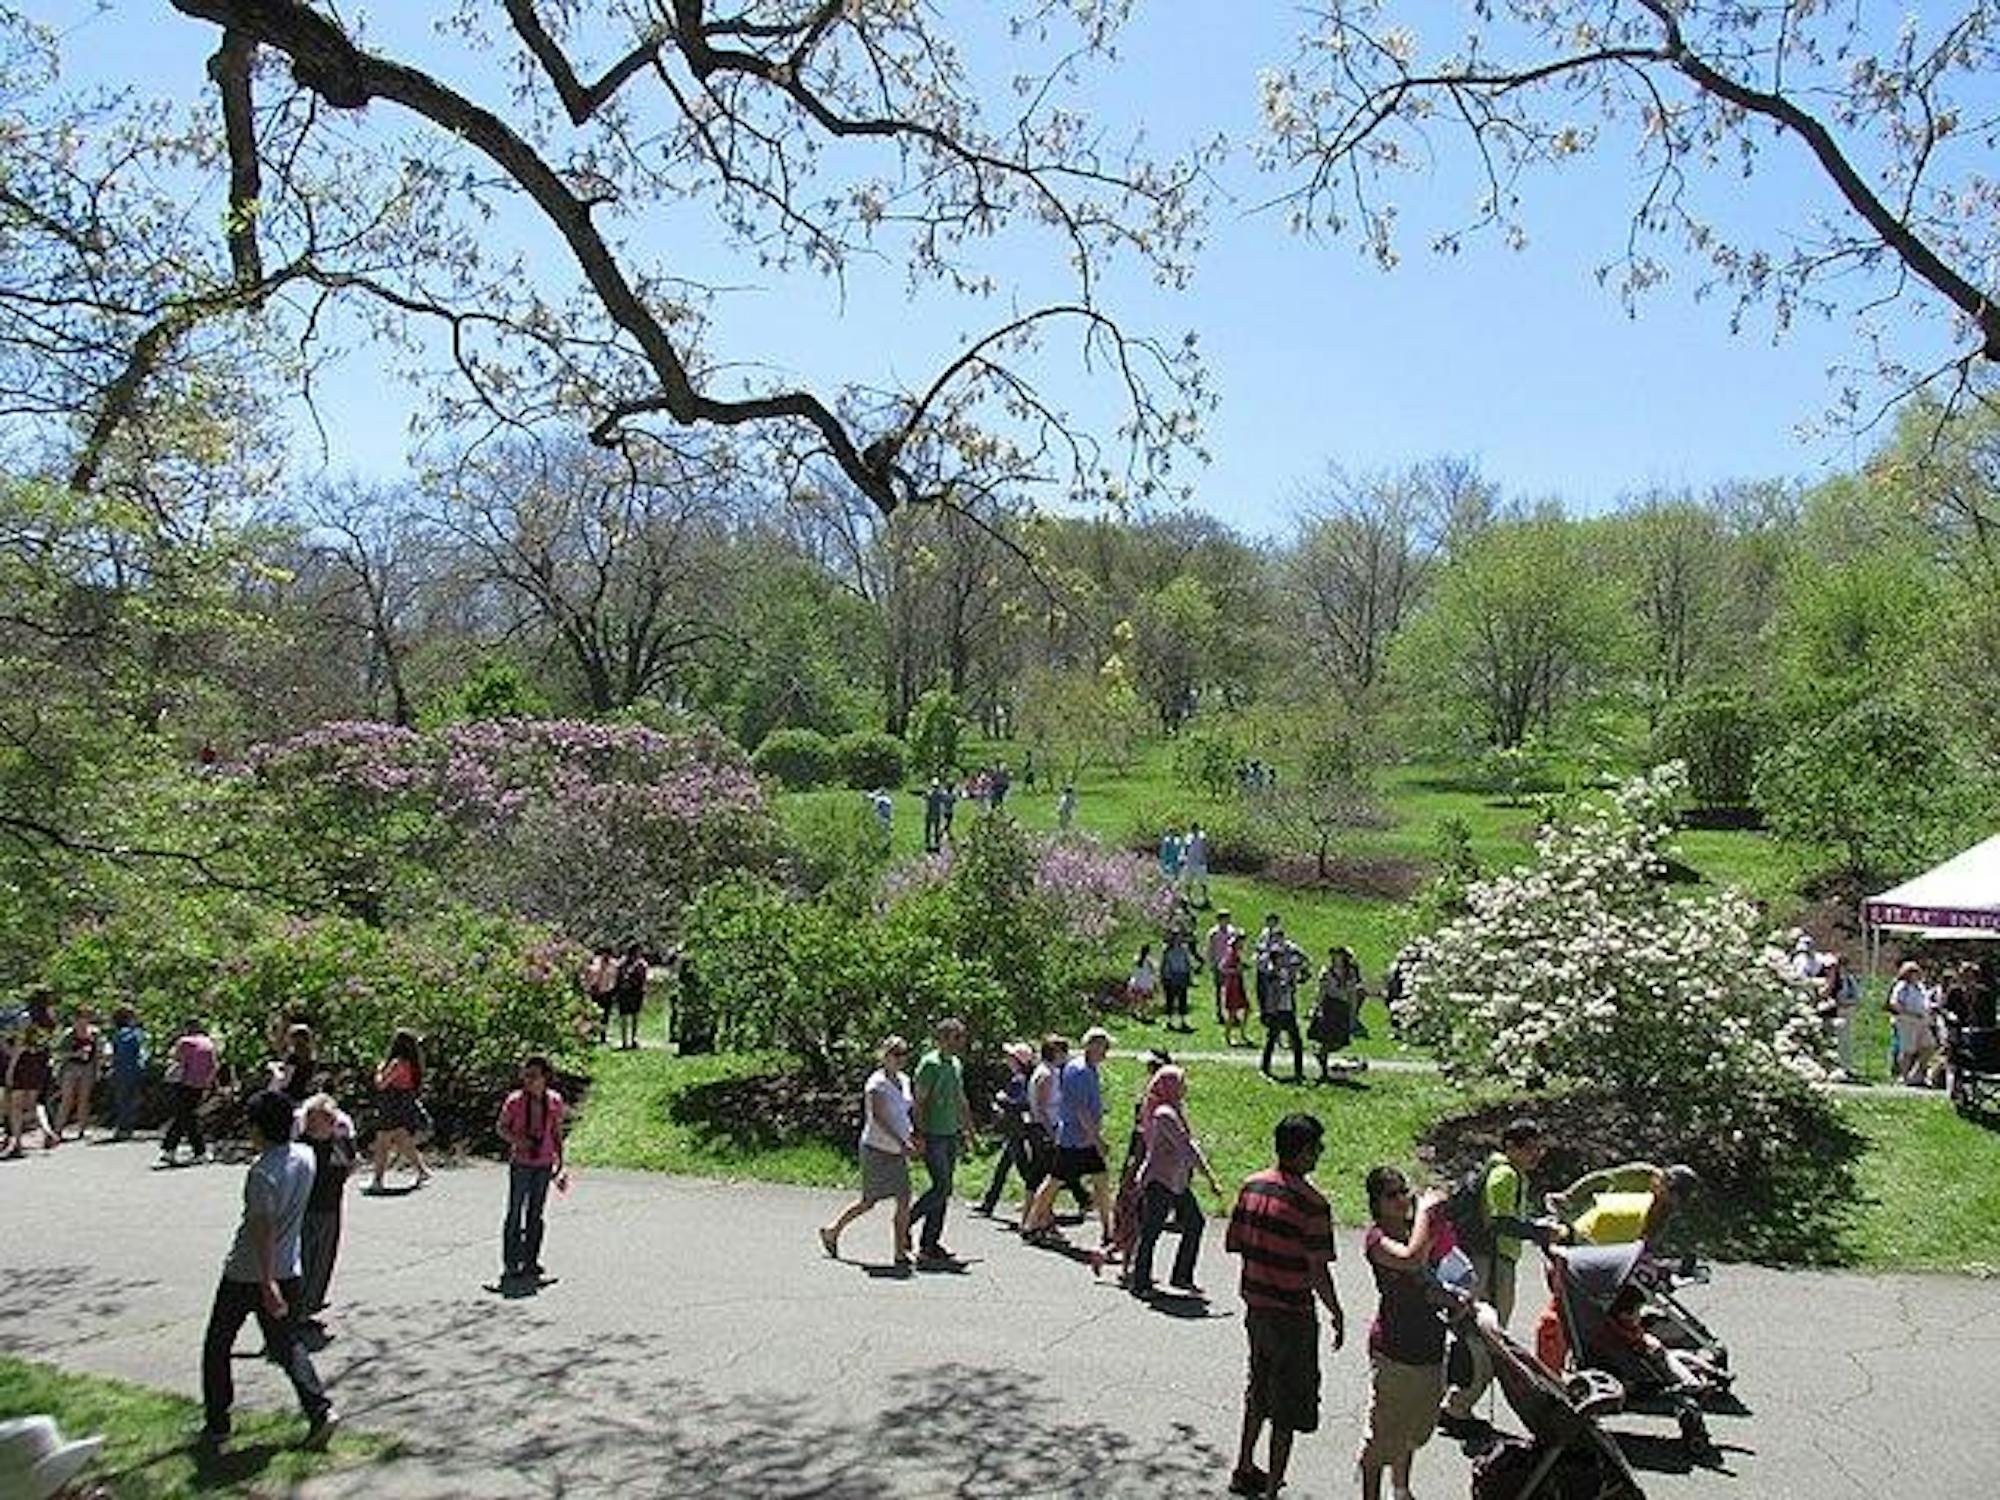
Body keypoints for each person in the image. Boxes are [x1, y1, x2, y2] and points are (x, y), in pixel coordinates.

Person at [200, 1089, 336, 1450]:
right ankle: (320, 1410)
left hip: (249, 1272)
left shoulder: (262, 1173)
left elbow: (262, 1228)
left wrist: (265, 1282)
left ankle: (217, 1422)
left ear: (258, 1129)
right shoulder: (305, 1157)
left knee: (217, 1344)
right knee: (285, 1344)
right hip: (289, 1268)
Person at [1224, 1112, 1344, 1500]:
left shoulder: (1252, 1186)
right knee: (1288, 1406)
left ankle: (1244, 1465)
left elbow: (1235, 1242)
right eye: (1318, 1148)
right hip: (1292, 1314)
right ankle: (1274, 1486)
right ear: (1305, 1151)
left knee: (1257, 1388)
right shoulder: (1312, 1204)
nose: (1320, 1154)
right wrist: (1336, 1311)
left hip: (1256, 1306)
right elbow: (1317, 1270)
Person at [1439, 1119, 1555, 1432]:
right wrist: (1539, 1232)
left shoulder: (1504, 1171)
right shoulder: (1505, 1174)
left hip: (1491, 1259)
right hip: (1491, 1262)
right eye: (1529, 1148)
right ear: (1510, 1147)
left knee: (1476, 1333)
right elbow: (1499, 1222)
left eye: (1538, 1147)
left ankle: (1453, 1399)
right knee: (1490, 1337)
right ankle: (1457, 1407)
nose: (1536, 1154)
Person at [1358, 1165, 1455, 1500]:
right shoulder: (1376, 1239)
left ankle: (1401, 1490)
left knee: (1416, 1428)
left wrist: (1455, 1296)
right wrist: (1427, 1213)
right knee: (1384, 1433)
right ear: (1376, 1202)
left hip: (1429, 1346)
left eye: (1404, 1191)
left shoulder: (1418, 1230)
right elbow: (1411, 1261)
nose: (1401, 1199)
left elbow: (1430, 1279)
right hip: (1394, 1349)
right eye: (1391, 1195)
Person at [820, 1036, 915, 1266]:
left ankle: (899, 1251)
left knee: (904, 1199)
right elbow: (878, 1117)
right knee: (869, 1201)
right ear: (885, 1056)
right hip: (876, 1148)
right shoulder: (876, 1083)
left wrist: (912, 1135)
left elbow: (906, 1111)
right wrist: (900, 1141)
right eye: (895, 1054)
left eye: (903, 1054)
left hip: (898, 1150)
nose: (899, 1059)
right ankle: (833, 1231)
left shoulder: (904, 1080)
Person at [1127, 1065, 1221, 1297]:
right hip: (1160, 1181)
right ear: (1170, 1086)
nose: (1185, 1087)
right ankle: (1140, 1284)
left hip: (1176, 1181)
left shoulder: (1175, 1109)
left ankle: (1181, 1276)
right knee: (1151, 1232)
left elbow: (1189, 1145)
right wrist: (1209, 1178)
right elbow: (1185, 1146)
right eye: (1181, 1082)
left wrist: (1204, 1173)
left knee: (1195, 1223)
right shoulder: (1164, 1115)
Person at [1024, 1027, 1113, 1247]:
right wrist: (1097, 1140)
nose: (1107, 1051)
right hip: (1074, 1139)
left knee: (1101, 1181)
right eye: (1104, 1045)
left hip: (1085, 1139)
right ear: (1091, 1045)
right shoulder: (1079, 1071)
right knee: (1054, 1182)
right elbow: (1080, 1110)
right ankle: (1031, 1224)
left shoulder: (1089, 1068)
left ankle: (1108, 1231)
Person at [909, 1017, 977, 1263]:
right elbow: (919, 1103)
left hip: (950, 1134)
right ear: (944, 1038)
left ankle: (929, 1244)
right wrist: (919, 1134)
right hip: (933, 1134)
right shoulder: (930, 1064)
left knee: (943, 1191)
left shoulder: (955, 1064)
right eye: (957, 1036)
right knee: (941, 1187)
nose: (961, 1041)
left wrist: (969, 1131)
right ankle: (907, 1221)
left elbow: (960, 1098)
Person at [497, 1055, 568, 1284]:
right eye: (525, 1075)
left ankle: (530, 1261)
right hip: (521, 1163)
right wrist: (519, 1140)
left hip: (544, 1163)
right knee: (515, 1213)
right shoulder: (515, 1101)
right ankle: (511, 1263)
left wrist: (560, 1164)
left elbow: (557, 1133)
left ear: (545, 1078)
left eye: (533, 1076)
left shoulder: (554, 1101)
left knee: (535, 1214)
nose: (528, 1080)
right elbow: (502, 1128)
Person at [297, 1093, 356, 1322]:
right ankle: (299, 1305)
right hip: (306, 1208)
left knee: (324, 1258)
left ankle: (312, 1302)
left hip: (330, 1206)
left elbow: (351, 1164)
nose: (333, 1122)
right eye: (327, 1118)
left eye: (333, 1118)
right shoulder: (301, 1147)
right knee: (305, 1257)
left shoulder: (339, 1143)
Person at [1552, 1161, 1700, 1249]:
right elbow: (1603, 1178)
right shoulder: (1642, 1174)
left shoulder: (1667, 1207)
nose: (1673, 1201)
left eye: (1678, 1199)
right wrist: (1569, 1195)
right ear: (1664, 1181)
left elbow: (1651, 1234)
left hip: (1618, 1240)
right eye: (1672, 1193)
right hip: (1594, 1221)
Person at [976, 1042, 1040, 1217]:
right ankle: (989, 1203)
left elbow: (1021, 1104)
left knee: (1025, 1170)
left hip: (1016, 1130)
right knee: (1003, 1167)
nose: (1006, 1060)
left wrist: (1000, 1100)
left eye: (1010, 1057)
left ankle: (1040, 1200)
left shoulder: (1019, 1080)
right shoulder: (1024, 1078)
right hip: (1016, 1129)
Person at [367, 1028, 430, 1192]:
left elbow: (381, 1084)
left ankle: (377, 1181)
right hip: (405, 1103)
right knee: (403, 1141)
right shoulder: (413, 1064)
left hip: (391, 1105)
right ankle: (422, 1171)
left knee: (382, 1142)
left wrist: (379, 1070)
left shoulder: (397, 1062)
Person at [158, 1017, 219, 1167]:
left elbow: (178, 1061)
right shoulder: (209, 1042)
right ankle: (171, 1149)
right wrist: (208, 1084)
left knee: (186, 1117)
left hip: (184, 1083)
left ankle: (197, 1151)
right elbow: (214, 1065)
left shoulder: (185, 1042)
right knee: (185, 1116)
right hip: (199, 1084)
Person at [3, 994, 58, 1157]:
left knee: (16, 1105)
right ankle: (47, 1132)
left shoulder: (26, 1018)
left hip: (23, 1063)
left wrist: (10, 1069)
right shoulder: (50, 1020)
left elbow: (20, 1044)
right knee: (32, 1102)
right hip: (39, 1063)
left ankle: (17, 1143)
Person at [1308, 947, 1365, 1082]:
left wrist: (1354, 1012)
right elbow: (1321, 992)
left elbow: (1353, 994)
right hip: (1330, 1006)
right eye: (1333, 956)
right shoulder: (1326, 972)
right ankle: (1323, 1071)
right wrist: (1316, 1008)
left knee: (1340, 1041)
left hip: (1343, 1008)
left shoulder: (1350, 973)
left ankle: (1320, 1054)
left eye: (1338, 956)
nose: (1335, 959)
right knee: (1327, 1039)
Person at [1260, 930, 1306, 1084]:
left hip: (1288, 1010)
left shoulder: (1286, 972)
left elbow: (1301, 969)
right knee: (1271, 1040)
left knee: (1297, 1042)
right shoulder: (1271, 973)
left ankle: (1299, 1071)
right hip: (1276, 1012)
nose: (1284, 959)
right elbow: (1277, 989)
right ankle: (1265, 1068)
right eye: (1280, 957)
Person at [51, 1010, 101, 1141]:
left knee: (84, 1099)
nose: (82, 1021)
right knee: (67, 1099)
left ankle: (82, 1129)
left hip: (88, 1068)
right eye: (80, 1018)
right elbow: (59, 1053)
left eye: (86, 1018)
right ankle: (58, 1130)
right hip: (70, 1068)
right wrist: (75, 1054)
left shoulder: (94, 1033)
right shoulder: (68, 1034)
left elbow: (97, 1052)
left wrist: (98, 1069)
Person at [1888, 960, 1938, 1087]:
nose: (1916, 974)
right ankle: (1905, 1077)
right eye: (1913, 971)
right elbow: (1894, 1004)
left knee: (1929, 1046)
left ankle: (1916, 1074)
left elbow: (1924, 1001)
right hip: (1907, 1021)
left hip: (1923, 1022)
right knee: (1907, 1050)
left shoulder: (1920, 986)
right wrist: (1910, 1013)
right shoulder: (1901, 986)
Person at [1818, 952, 1861, 1080]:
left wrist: (1850, 1002)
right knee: (1836, 1040)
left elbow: (1856, 995)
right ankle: (1835, 1068)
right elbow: (1827, 994)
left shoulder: (1848, 978)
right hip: (1835, 1011)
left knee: (1846, 1041)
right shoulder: (1827, 979)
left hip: (1847, 1011)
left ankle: (1846, 1067)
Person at [108, 1005, 147, 1141]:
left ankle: (123, 1128)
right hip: (136, 1069)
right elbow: (142, 1051)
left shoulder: (117, 1034)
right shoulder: (137, 1033)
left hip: (121, 1070)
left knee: (122, 1100)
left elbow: (114, 1052)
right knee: (133, 1099)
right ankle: (128, 1128)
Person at [1159, 930, 1198, 1035]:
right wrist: (1164, 977)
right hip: (1170, 977)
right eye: (1176, 937)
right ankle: (1169, 1022)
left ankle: (1183, 1021)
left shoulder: (1184, 949)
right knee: (1170, 1000)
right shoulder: (1167, 950)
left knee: (1182, 999)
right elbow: (1164, 964)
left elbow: (1187, 962)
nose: (1178, 939)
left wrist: (1190, 974)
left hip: (1182, 976)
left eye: (1180, 937)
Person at [1206, 909, 1240, 1025]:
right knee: (1219, 990)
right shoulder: (1213, 933)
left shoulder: (1232, 931)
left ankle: (1233, 1014)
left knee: (1232, 990)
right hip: (1218, 964)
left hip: (1230, 964)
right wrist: (1211, 963)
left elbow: (1236, 947)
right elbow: (1210, 949)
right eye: (1223, 919)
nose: (1225, 921)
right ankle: (1219, 1012)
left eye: (1227, 918)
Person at [271, 1024, 318, 1105]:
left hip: (292, 1094)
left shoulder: (296, 1057)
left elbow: (285, 1079)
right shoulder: (309, 1055)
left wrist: (275, 1069)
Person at [614, 944, 649, 1052]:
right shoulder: (639, 964)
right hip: (631, 993)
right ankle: (629, 1040)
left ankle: (630, 1040)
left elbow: (618, 979)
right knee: (630, 1017)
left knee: (631, 1017)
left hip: (630, 992)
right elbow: (643, 979)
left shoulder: (624, 963)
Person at [1221, 929, 1251, 1047]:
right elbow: (1223, 967)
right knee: (1232, 1012)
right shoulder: (1231, 952)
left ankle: (1242, 1034)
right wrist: (1235, 971)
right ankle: (1228, 1037)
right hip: (1232, 985)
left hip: (1239, 983)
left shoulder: (1237, 952)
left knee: (1247, 1009)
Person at [584, 949, 618, 1045]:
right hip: (595, 992)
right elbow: (589, 974)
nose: (606, 957)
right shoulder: (596, 962)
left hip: (607, 992)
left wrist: (613, 990)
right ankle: (590, 1035)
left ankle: (603, 1036)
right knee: (592, 1014)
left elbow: (615, 978)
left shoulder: (614, 965)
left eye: (608, 955)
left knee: (605, 1016)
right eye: (605, 955)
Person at [1126, 943, 1158, 1018]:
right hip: (1146, 982)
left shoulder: (1137, 958)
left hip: (1137, 981)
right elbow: (1154, 970)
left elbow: (1134, 970)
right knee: (1145, 1000)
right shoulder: (1150, 961)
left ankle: (1135, 1011)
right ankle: (1143, 1013)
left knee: (1137, 999)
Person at [1183, 821, 1211, 907]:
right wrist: (1185, 858)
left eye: (1196, 828)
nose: (1195, 830)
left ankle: (1205, 898)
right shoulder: (1188, 837)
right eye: (1193, 829)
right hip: (1190, 863)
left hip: (1200, 863)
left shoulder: (1202, 836)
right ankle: (1188, 897)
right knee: (1188, 881)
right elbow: (1186, 848)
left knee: (1203, 882)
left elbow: (1205, 847)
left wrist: (1204, 858)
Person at [923, 777, 953, 852]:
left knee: (928, 830)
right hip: (937, 814)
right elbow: (946, 800)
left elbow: (925, 797)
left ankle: (928, 844)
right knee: (936, 830)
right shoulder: (940, 794)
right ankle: (937, 845)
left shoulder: (929, 793)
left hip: (929, 814)